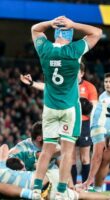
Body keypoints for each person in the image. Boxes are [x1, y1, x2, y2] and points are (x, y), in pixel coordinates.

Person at [30, 16, 102, 199]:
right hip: (69, 108)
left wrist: (49, 23)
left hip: (50, 108)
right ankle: (61, 192)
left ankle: (36, 189)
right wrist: (75, 24)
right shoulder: (73, 51)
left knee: (47, 150)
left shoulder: (45, 49)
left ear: (55, 34)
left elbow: (35, 29)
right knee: (68, 151)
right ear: (70, 35)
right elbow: (97, 32)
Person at [20, 63, 98, 184]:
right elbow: (47, 86)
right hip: (67, 123)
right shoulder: (65, 83)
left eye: (77, 71)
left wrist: (87, 112)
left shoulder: (89, 87)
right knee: (69, 156)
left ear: (82, 73)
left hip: (84, 124)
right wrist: (32, 83)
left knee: (85, 157)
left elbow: (94, 107)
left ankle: (86, 186)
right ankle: (69, 186)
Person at [0, 144, 109, 200]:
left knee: (81, 196)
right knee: (81, 195)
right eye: (23, 168)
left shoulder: (0, 178)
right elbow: (4, 147)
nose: (25, 170)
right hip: (50, 179)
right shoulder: (2, 168)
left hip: (47, 185)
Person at [82, 73, 110, 192]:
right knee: (102, 157)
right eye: (106, 82)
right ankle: (94, 185)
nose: (107, 84)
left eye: (109, 82)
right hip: (102, 129)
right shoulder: (103, 96)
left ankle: (93, 185)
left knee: (104, 158)